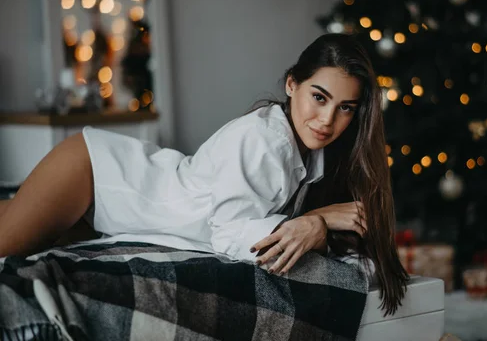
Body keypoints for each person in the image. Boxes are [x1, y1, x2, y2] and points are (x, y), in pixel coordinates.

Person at [0, 33, 408, 315]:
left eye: (345, 108)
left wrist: (320, 225)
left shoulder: (314, 156)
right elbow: (229, 235)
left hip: (117, 196)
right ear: (291, 85)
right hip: (95, 174)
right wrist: (314, 222)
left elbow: (358, 258)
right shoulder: (266, 140)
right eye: (319, 98)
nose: (326, 119)